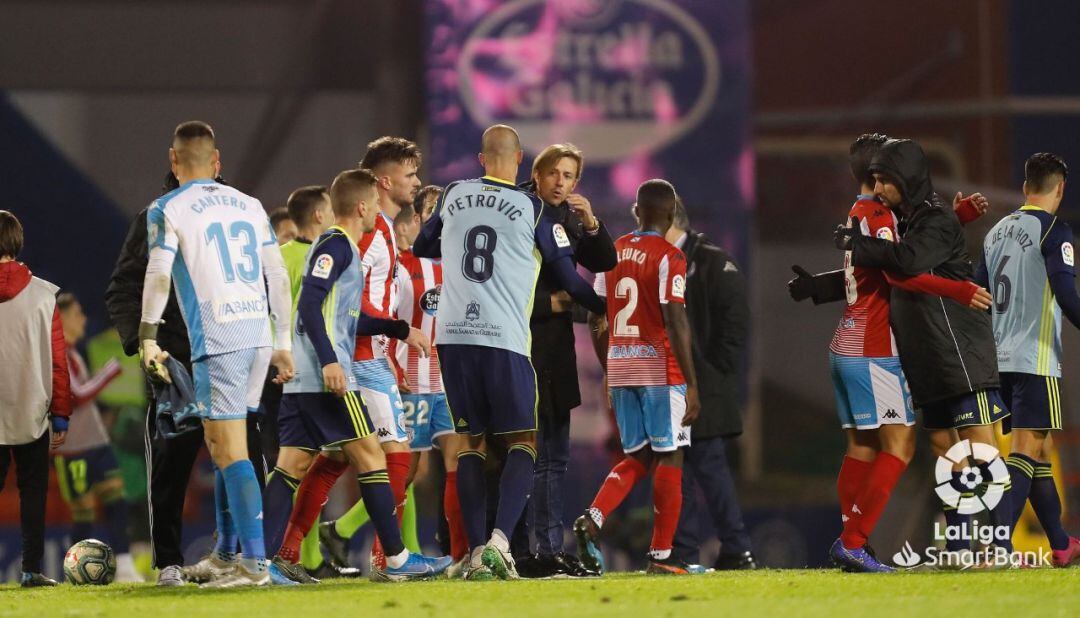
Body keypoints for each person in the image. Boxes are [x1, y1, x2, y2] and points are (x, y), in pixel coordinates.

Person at [412, 124, 606, 580]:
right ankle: (501, 544)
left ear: (482, 159)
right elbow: (574, 280)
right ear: (519, 159)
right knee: (524, 442)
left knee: (472, 445)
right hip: (503, 339)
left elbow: (423, 246)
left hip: (453, 339)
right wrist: (604, 306)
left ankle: (477, 550)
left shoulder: (455, 192)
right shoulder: (534, 208)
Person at [806, 135, 991, 572]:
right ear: (881, 176)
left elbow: (895, 253)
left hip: (845, 344)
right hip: (873, 348)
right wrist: (959, 289)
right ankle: (853, 542)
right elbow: (902, 271)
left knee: (862, 449)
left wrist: (956, 216)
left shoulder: (858, 214)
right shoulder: (879, 215)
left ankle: (852, 540)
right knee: (902, 448)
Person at [267, 168, 450, 583]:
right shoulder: (337, 245)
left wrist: (398, 329)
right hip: (329, 377)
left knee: (291, 467)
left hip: (308, 378)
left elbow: (349, 318)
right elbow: (309, 306)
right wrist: (332, 361)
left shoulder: (341, 246)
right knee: (373, 458)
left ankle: (265, 562)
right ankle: (398, 561)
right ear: (364, 206)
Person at [138, 121, 295, 587]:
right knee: (229, 442)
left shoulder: (166, 208)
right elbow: (278, 276)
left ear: (173, 160)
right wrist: (282, 343)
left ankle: (254, 565)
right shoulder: (250, 204)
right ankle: (229, 554)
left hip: (219, 335)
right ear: (217, 161)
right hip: (258, 332)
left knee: (227, 450)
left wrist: (149, 335)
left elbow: (159, 275)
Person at [106, 170, 269, 586]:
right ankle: (168, 563)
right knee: (170, 466)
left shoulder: (235, 214)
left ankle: (239, 557)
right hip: (174, 359)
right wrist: (143, 345)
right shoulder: (153, 218)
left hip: (226, 350)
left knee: (237, 455)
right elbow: (123, 287)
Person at [575, 179, 699, 575]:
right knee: (671, 454)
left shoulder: (611, 253)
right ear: (669, 213)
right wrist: (692, 384)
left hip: (623, 363)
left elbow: (597, 315)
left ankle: (594, 516)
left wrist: (610, 369)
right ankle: (662, 556)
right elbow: (675, 319)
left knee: (637, 457)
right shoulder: (669, 256)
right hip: (661, 368)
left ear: (636, 211)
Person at [512, 143, 616, 578]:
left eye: (569, 175)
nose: (561, 182)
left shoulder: (568, 218)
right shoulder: (518, 214)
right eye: (554, 172)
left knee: (554, 456)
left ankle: (548, 547)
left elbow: (605, 260)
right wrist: (550, 304)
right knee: (523, 454)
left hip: (555, 349)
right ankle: (519, 549)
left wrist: (592, 224)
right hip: (522, 346)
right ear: (537, 174)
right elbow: (505, 289)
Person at [320, 137, 423, 571]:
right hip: (359, 358)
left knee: (335, 458)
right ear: (384, 180)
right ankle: (390, 559)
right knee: (397, 456)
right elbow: (346, 302)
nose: (417, 182)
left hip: (371, 356)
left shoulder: (383, 231)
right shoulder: (368, 234)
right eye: (410, 174)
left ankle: (301, 548)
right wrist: (392, 334)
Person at [977, 152, 1080, 567]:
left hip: (998, 359)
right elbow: (1068, 296)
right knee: (1025, 449)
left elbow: (978, 296)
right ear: (1060, 188)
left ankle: (1060, 544)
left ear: (1025, 188)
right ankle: (998, 544)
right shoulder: (1056, 231)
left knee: (1040, 450)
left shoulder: (995, 232)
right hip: (1035, 359)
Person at [259, 185, 354, 579]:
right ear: (319, 214)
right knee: (309, 463)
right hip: (307, 374)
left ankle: (290, 557)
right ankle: (294, 555)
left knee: (295, 466)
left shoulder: (281, 257)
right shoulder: (321, 256)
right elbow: (305, 313)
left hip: (280, 372)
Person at [663, 198, 755, 572]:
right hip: (673, 385)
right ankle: (687, 552)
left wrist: (712, 373)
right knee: (679, 468)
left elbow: (735, 323)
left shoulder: (712, 260)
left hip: (703, 385)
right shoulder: (664, 262)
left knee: (708, 466)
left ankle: (735, 547)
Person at [388, 199, 470, 574]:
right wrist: (390, 365)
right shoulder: (401, 265)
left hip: (448, 380)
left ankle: (459, 556)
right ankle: (386, 554)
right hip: (412, 380)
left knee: (458, 462)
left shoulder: (460, 264)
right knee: (405, 470)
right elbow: (385, 319)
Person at [0, 209, 71, 587]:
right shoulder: (44, 295)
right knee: (33, 494)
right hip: (32, 409)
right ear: (17, 242)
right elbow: (58, 361)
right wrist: (61, 414)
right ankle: (31, 570)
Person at [53, 292, 143, 582]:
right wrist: (110, 371)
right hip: (72, 450)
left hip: (98, 443)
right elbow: (76, 395)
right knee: (83, 515)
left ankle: (126, 566)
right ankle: (74, 573)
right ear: (63, 318)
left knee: (117, 498)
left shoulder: (73, 352)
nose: (83, 319)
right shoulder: (56, 355)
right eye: (77, 313)